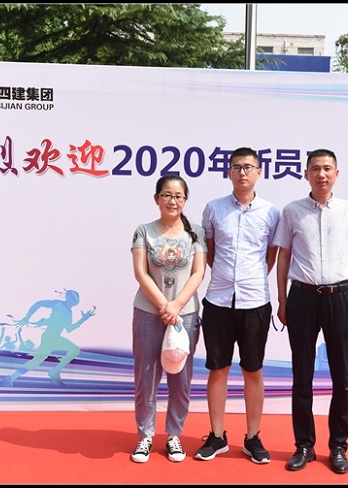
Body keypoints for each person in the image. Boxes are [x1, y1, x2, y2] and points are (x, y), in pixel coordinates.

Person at [273, 148, 348, 475]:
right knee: (302, 376)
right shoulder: (292, 211)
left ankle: (338, 446)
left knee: (343, 378)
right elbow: (284, 256)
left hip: (340, 296)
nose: (321, 174)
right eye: (315, 168)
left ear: (336, 174)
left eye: (327, 168)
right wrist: (283, 300)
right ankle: (304, 445)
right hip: (302, 297)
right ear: (306, 174)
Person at [195, 147, 280, 464]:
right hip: (218, 300)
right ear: (228, 172)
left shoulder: (271, 212)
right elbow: (210, 252)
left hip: (255, 302)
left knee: (252, 370)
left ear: (259, 172)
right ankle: (217, 436)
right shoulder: (214, 209)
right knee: (217, 369)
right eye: (236, 167)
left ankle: (253, 437)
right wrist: (227, 277)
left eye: (248, 167)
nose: (242, 172)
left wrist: (249, 279)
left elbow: (270, 256)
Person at [130, 175, 207, 464]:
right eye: (166, 195)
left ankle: (174, 434)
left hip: (185, 314)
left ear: (185, 200)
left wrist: (176, 305)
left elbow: (198, 273)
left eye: (178, 196)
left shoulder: (196, 233)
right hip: (149, 312)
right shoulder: (144, 231)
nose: (172, 201)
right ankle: (145, 436)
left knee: (181, 378)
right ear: (157, 199)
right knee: (146, 376)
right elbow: (140, 273)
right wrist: (165, 306)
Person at [2, 289, 96, 386]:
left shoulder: (69, 312)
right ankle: (53, 371)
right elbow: (38, 304)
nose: (76, 302)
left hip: (54, 338)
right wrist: (27, 318)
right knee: (40, 359)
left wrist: (83, 319)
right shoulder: (58, 304)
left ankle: (11, 378)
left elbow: (69, 329)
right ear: (69, 298)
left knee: (40, 360)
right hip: (49, 336)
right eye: (75, 299)